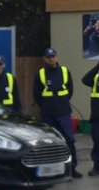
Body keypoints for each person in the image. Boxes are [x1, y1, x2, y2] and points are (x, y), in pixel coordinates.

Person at [33, 47, 81, 178]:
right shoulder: (40, 74)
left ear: (57, 58)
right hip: (48, 114)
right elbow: (36, 94)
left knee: (69, 140)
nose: (51, 59)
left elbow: (70, 90)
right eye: (48, 57)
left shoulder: (65, 71)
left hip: (63, 112)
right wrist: (46, 106)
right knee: (48, 142)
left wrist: (62, 103)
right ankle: (49, 170)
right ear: (44, 59)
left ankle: (72, 169)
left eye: (53, 56)